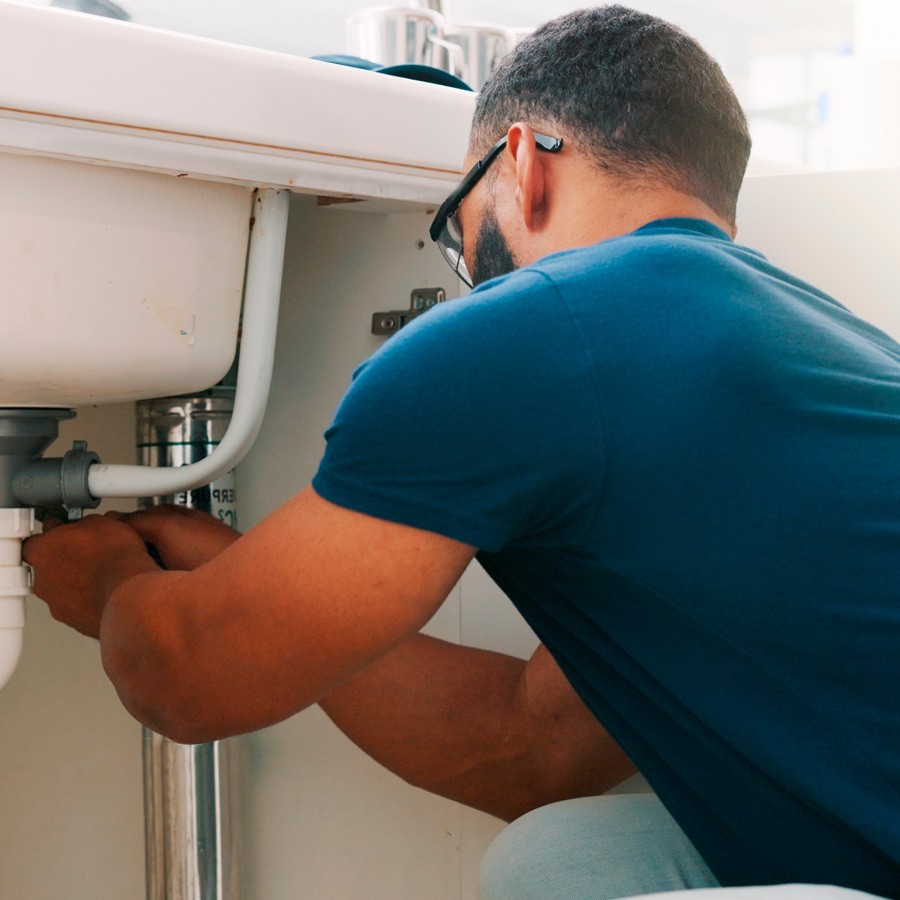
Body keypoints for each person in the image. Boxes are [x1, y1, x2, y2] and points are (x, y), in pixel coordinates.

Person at [22, 5, 900, 899]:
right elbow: (531, 749)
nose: (469, 270)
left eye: (457, 230)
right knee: (558, 862)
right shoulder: (821, 347)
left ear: (519, 162)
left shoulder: (531, 333)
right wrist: (233, 570)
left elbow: (190, 679)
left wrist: (108, 586)